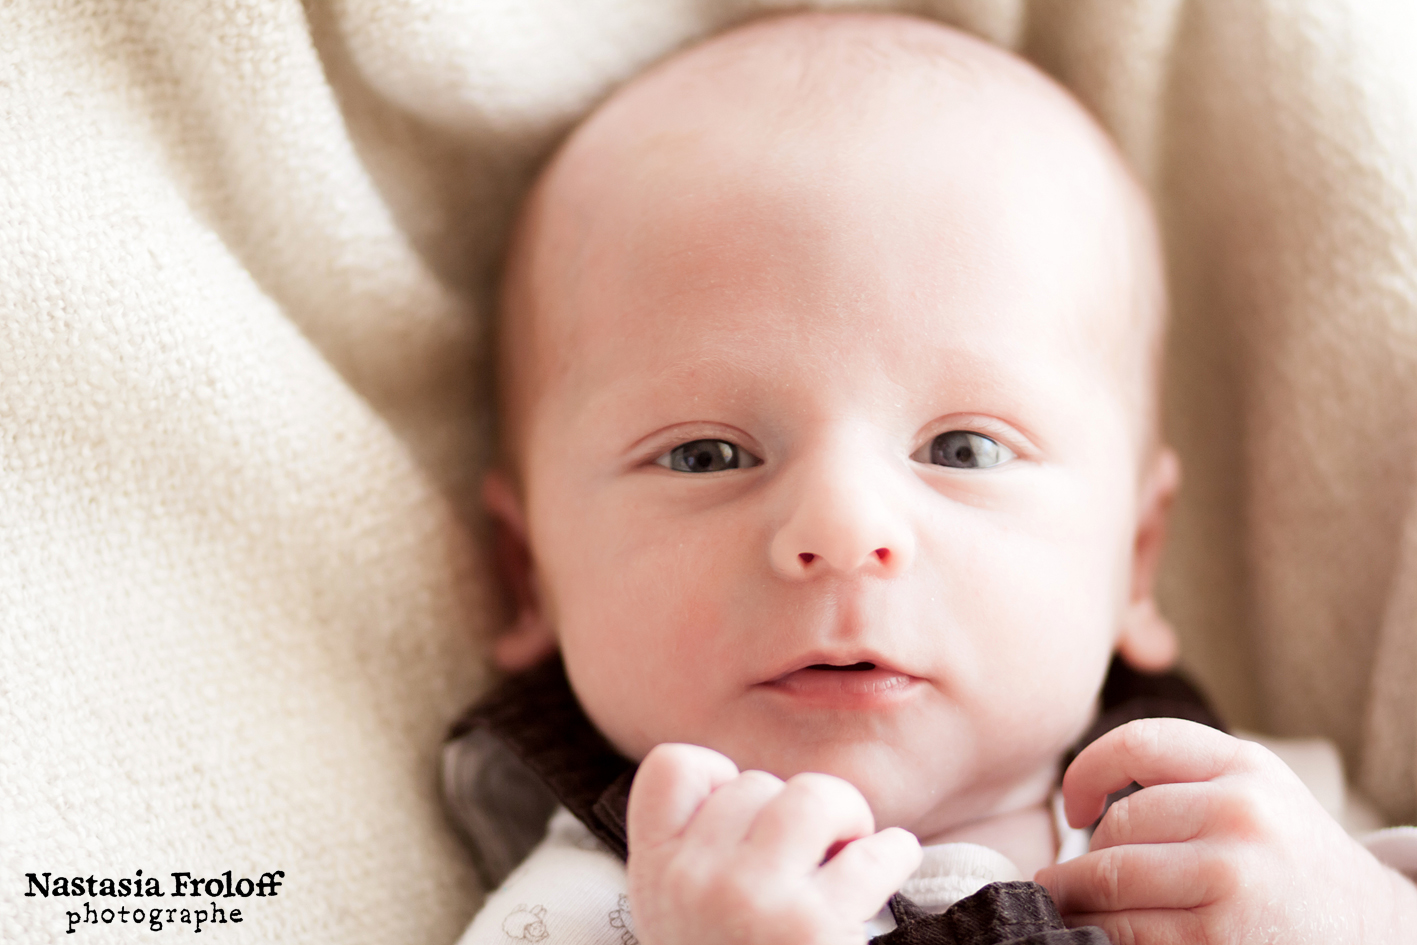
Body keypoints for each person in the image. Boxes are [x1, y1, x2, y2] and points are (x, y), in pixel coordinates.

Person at [458, 11, 1417, 945]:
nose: (841, 529)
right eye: (705, 455)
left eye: (964, 449)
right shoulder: (600, 908)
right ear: (531, 572)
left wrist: (1363, 919)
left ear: (1134, 558)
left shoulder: (1263, 827)